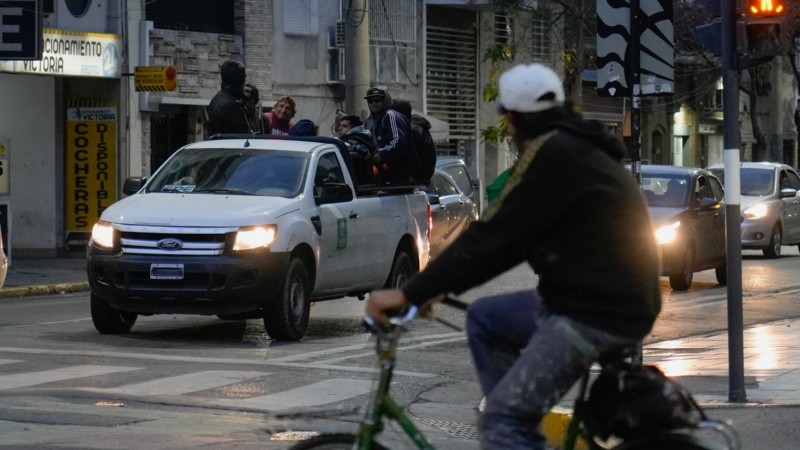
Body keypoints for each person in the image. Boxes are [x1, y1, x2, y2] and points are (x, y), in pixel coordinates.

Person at [365, 63, 661, 449]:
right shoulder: (575, 146)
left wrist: (411, 292)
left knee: (504, 419)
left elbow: (495, 237)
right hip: (601, 299)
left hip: (594, 311)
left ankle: (514, 426)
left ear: (513, 117)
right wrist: (435, 287)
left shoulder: (553, 153)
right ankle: (524, 419)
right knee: (485, 318)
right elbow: (509, 240)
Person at [363, 87, 419, 185]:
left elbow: (398, 142)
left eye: (378, 100)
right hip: (387, 175)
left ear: (385, 101)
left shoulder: (390, 116)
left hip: (400, 175)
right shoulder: (371, 121)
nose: (373, 103)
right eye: (370, 101)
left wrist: (381, 154)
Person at [392, 99, 436, 185]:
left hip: (416, 181)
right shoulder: (416, 126)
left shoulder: (411, 130)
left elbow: (403, 155)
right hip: (422, 180)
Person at [206, 60, 253, 136]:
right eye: (243, 77)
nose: (245, 80)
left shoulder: (218, 98)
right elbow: (247, 135)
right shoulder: (231, 104)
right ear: (238, 79)